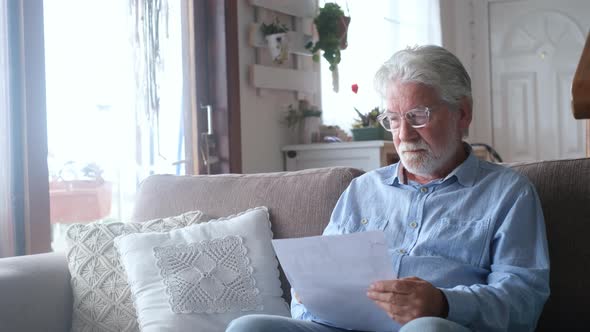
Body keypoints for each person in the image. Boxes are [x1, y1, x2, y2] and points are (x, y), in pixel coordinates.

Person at [226, 45, 549, 332]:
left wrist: (444, 303)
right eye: (393, 119)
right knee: (247, 327)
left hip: (439, 326)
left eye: (417, 116)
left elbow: (524, 300)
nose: (404, 134)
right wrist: (310, 294)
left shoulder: (508, 193)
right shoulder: (362, 191)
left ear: (462, 113)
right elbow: (310, 296)